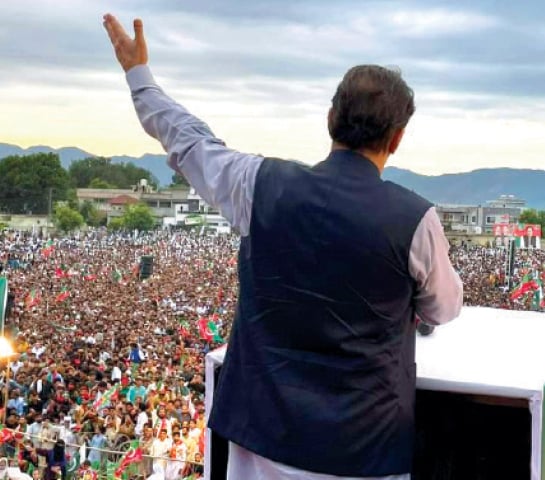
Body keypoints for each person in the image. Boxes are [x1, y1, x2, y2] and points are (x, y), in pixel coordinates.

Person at [102, 13, 463, 480]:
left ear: (331, 119)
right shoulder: (416, 220)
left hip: (262, 440)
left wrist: (140, 76)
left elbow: (189, 143)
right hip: (363, 449)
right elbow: (443, 309)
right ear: (396, 139)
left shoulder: (258, 184)